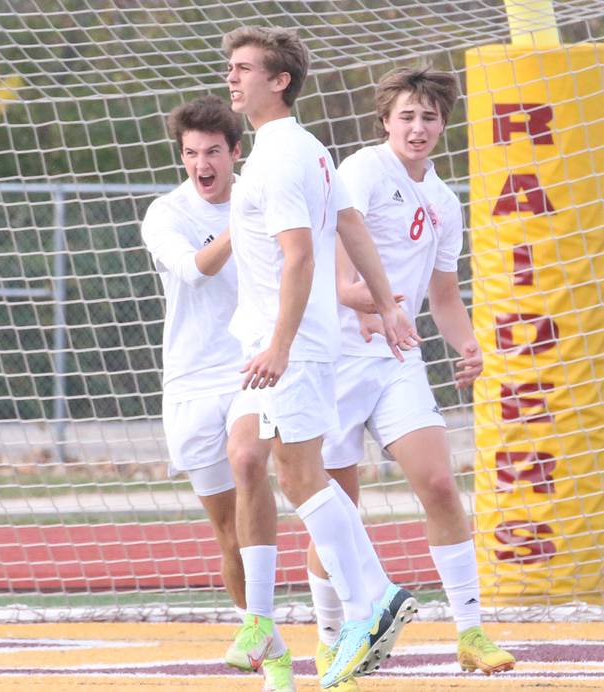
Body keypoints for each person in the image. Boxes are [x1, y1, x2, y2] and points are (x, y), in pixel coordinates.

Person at [221, 26, 420, 691]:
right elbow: (353, 226)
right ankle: (273, 618)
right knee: (253, 455)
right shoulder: (306, 149)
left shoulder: (282, 157)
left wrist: (280, 344)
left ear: (279, 82)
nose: (232, 77)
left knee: (302, 476)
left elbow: (303, 254)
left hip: (292, 343)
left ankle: (371, 601)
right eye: (231, 67)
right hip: (271, 342)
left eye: (244, 68)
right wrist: (389, 304)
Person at [307, 67, 516, 679]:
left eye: (429, 117)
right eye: (407, 116)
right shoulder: (364, 171)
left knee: (441, 484)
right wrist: (375, 305)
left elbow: (444, 294)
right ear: (386, 121)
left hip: (396, 360)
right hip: (336, 360)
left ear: (443, 125)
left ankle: (471, 632)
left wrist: (469, 345)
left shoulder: (445, 202)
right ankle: (330, 638)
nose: (418, 127)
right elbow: (336, 278)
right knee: (338, 507)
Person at [140, 95, 295, 692]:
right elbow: (193, 270)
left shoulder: (267, 197)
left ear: (236, 153)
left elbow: (305, 260)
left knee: (250, 459)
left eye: (212, 152)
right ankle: (272, 648)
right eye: (190, 153)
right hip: (189, 380)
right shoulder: (165, 213)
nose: (201, 163)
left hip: (250, 365)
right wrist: (244, 221)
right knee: (226, 533)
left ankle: (300, 622)